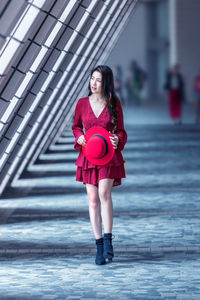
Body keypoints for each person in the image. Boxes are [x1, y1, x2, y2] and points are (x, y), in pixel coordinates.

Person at [72, 65, 127, 265]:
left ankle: (108, 239)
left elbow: (121, 131)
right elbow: (76, 126)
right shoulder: (82, 104)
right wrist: (79, 137)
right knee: (93, 199)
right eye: (92, 79)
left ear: (106, 83)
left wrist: (117, 140)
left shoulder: (114, 103)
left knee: (104, 193)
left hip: (108, 155)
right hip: (88, 156)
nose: (94, 83)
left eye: (98, 80)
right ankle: (98, 246)